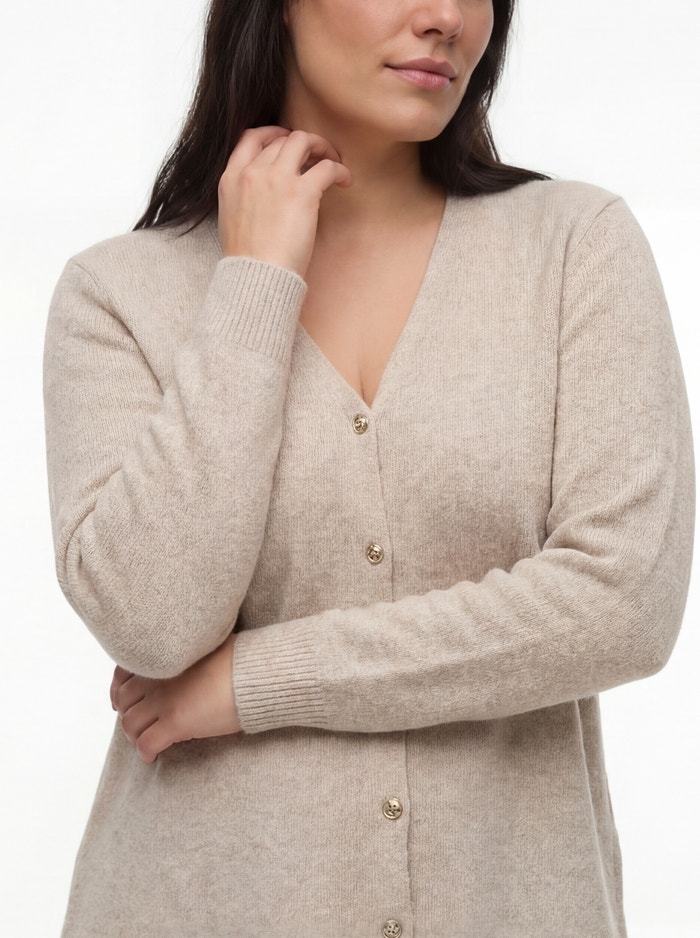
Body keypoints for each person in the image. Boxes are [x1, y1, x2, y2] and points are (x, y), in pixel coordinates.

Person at [42, 0, 694, 935]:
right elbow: (150, 619)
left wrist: (257, 682)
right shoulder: (116, 294)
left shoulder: (573, 246)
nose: (447, 18)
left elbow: (622, 607)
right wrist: (255, 283)